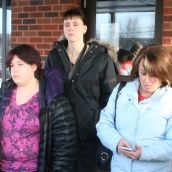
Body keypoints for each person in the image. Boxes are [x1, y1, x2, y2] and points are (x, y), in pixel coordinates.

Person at [45, 7, 116, 172]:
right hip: (61, 132)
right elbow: (48, 93)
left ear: (84, 28)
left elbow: (109, 98)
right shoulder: (53, 57)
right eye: (67, 24)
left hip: (91, 132)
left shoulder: (101, 59)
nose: (71, 28)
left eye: (76, 24)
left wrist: (99, 121)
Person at [0, 44, 77, 172]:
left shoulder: (53, 98)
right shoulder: (4, 95)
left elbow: (65, 147)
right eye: (12, 66)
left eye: (20, 64)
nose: (14, 70)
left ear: (34, 66)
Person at [96, 45, 172, 172]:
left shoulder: (169, 99)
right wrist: (116, 142)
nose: (147, 81)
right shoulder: (121, 90)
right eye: (143, 73)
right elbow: (103, 124)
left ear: (163, 73)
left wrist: (144, 153)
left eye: (154, 75)